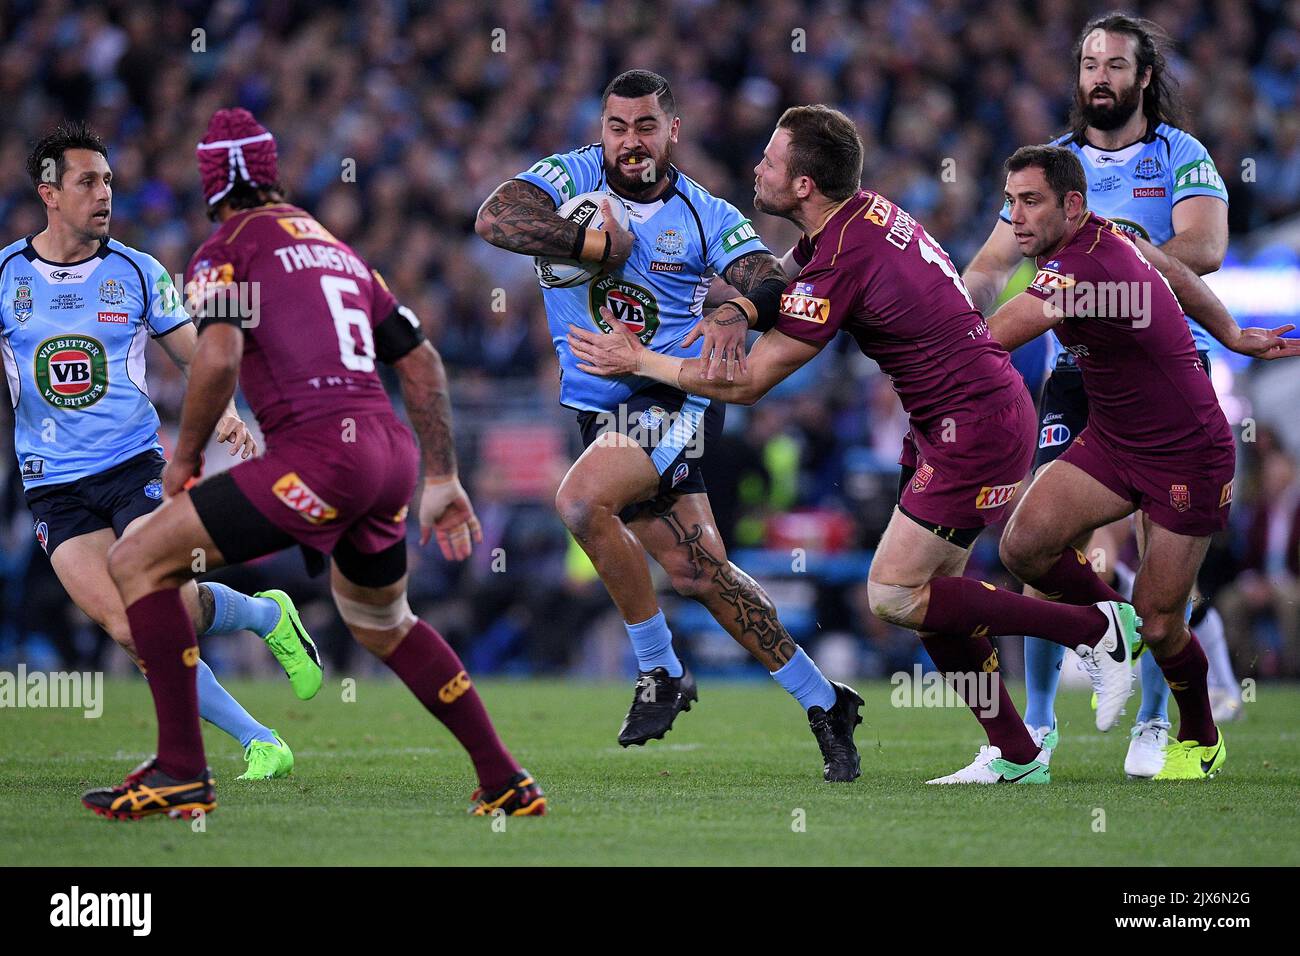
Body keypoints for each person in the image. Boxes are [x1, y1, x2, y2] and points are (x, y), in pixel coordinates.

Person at [570, 105, 1145, 785]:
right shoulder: (855, 217)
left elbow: (750, 381)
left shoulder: (842, 253)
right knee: (937, 605)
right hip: (946, 419)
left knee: (894, 596)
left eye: (772, 161)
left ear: (806, 184)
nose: (758, 168)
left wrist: (639, 360)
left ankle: (1098, 629)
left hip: (978, 422)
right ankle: (1018, 753)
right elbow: (781, 277)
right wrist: (735, 308)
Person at [81, 108, 544, 819]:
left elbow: (220, 354)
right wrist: (443, 476)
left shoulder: (226, 246)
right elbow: (419, 358)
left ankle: (180, 769)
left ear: (211, 182)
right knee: (383, 622)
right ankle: (504, 777)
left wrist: (182, 460)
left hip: (320, 454)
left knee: (138, 560)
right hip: (388, 455)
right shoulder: (336, 248)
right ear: (271, 172)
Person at [476, 70, 862, 781]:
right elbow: (495, 219)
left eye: (646, 127)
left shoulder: (706, 214)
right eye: (617, 127)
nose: (630, 142)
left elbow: (769, 282)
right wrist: (596, 249)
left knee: (580, 501)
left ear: (673, 130)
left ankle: (659, 671)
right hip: (597, 408)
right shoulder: (569, 176)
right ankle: (824, 698)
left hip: (667, 397)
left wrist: (735, 309)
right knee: (698, 571)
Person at [961, 14, 1243, 777]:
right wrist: (957, 306)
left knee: (1161, 587)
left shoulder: (1179, 155)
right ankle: (1043, 727)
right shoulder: (1052, 168)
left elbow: (1205, 252)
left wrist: (1117, 254)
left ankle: (1160, 722)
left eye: (1115, 65)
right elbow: (990, 266)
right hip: (1078, 378)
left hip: (1169, 379)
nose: (1099, 78)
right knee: (1029, 546)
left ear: (1143, 77)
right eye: (1089, 64)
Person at [2, 120, 322, 782]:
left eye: (109, 181)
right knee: (130, 629)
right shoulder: (6, 276)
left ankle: (261, 683)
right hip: (52, 485)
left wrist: (229, 411)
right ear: (50, 193)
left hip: (132, 469)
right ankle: (263, 678)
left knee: (160, 607)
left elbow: (197, 354)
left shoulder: (139, 271)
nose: (103, 194)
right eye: (87, 181)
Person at [987, 144, 1299, 780]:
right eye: (1010, 201)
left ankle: (1198, 731)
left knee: (1163, 620)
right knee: (1024, 546)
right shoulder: (1112, 239)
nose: (1014, 217)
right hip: (1114, 438)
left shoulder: (1078, 267)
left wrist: (907, 329)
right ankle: (1110, 627)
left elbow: (990, 339)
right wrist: (1234, 332)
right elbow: (1179, 276)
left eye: (1030, 202)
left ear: (1073, 206)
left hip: (1188, 451)